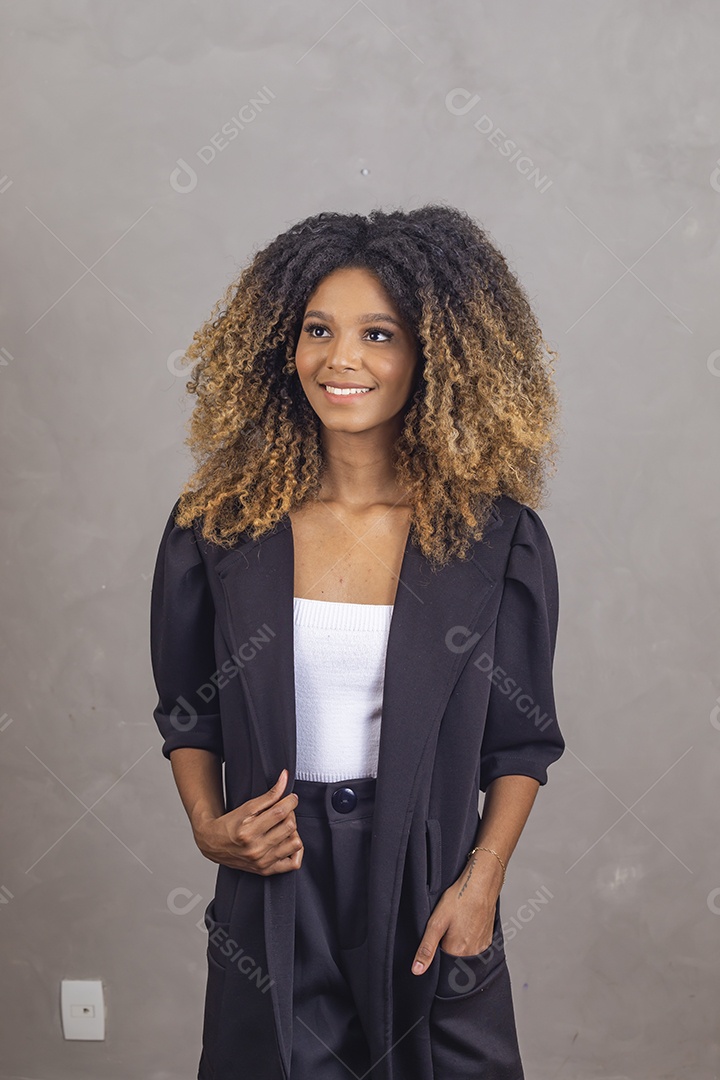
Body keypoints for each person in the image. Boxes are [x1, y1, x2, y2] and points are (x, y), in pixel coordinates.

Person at [149, 204, 565, 1080]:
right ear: (280, 347)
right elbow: (189, 714)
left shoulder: (498, 540)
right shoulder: (217, 530)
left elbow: (521, 742)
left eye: (379, 333)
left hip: (425, 876)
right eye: (317, 330)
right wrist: (207, 828)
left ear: (436, 357)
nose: (342, 359)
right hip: (276, 880)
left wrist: (480, 882)